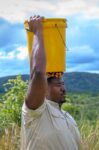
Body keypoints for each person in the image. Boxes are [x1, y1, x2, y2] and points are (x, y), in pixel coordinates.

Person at [21, 15, 81, 150]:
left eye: (63, 84)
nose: (63, 89)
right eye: (58, 85)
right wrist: (38, 33)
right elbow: (38, 73)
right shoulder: (35, 112)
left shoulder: (67, 117)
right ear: (44, 88)